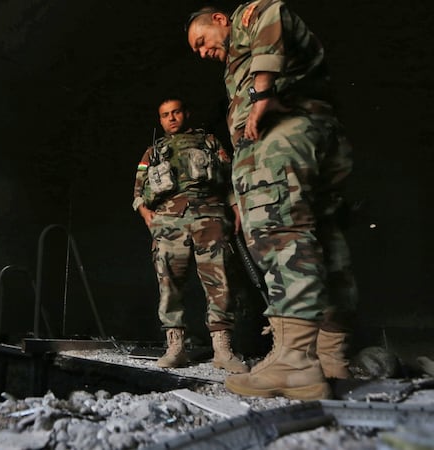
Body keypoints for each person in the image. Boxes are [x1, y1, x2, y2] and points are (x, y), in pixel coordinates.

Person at [186, 1, 358, 400]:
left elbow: (272, 12)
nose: (201, 51)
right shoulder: (236, 60)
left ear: (219, 21)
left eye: (201, 41)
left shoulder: (247, 19)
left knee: (280, 232)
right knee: (324, 238)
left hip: (283, 138)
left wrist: (261, 91)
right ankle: (330, 358)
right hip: (313, 137)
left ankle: (295, 362)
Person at [132, 96, 248, 374]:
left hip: (210, 216)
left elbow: (229, 179)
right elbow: (138, 192)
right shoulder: (154, 152)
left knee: (218, 280)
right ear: (160, 120)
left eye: (175, 112)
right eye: (165, 115)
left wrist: (236, 210)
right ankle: (175, 347)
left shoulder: (209, 142)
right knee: (169, 285)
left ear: (186, 113)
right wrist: (148, 216)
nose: (171, 118)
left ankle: (223, 349)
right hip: (170, 221)